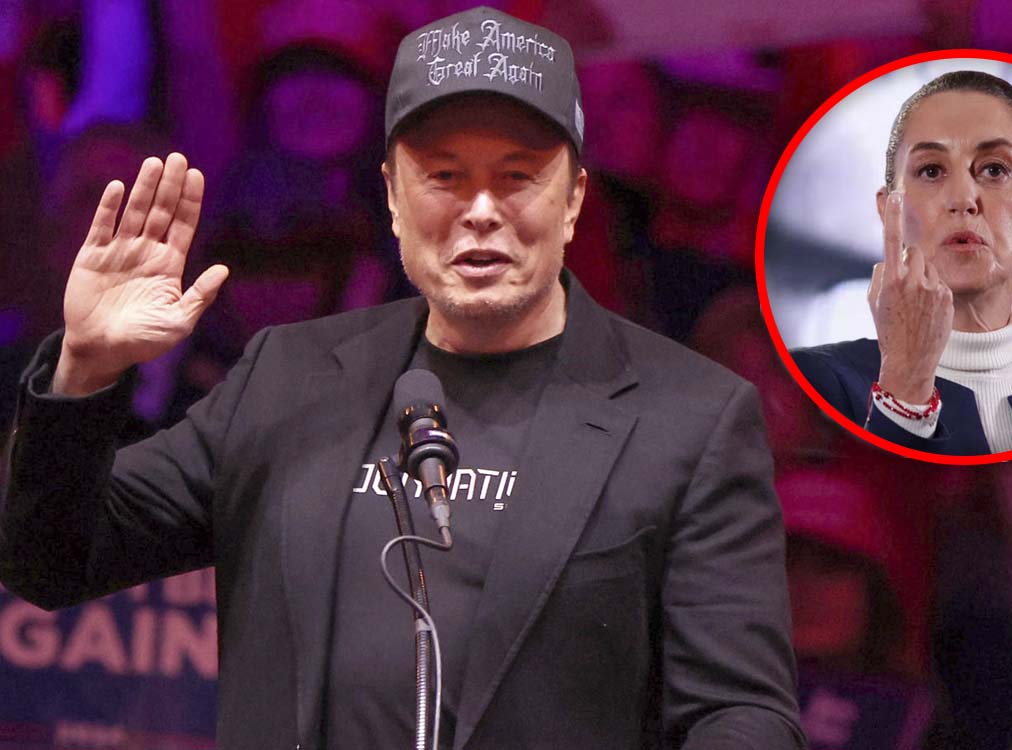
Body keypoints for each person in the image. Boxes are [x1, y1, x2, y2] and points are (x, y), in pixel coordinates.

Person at [0, 7, 805, 750]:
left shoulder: (690, 418)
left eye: (518, 175)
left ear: (573, 200)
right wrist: (87, 370)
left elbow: (741, 713)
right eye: (443, 175)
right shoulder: (286, 377)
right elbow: (49, 559)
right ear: (391, 195)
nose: (480, 208)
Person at [791, 70, 1012, 456]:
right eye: (931, 171)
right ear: (889, 212)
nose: (962, 198)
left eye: (994, 170)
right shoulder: (814, 382)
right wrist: (905, 384)